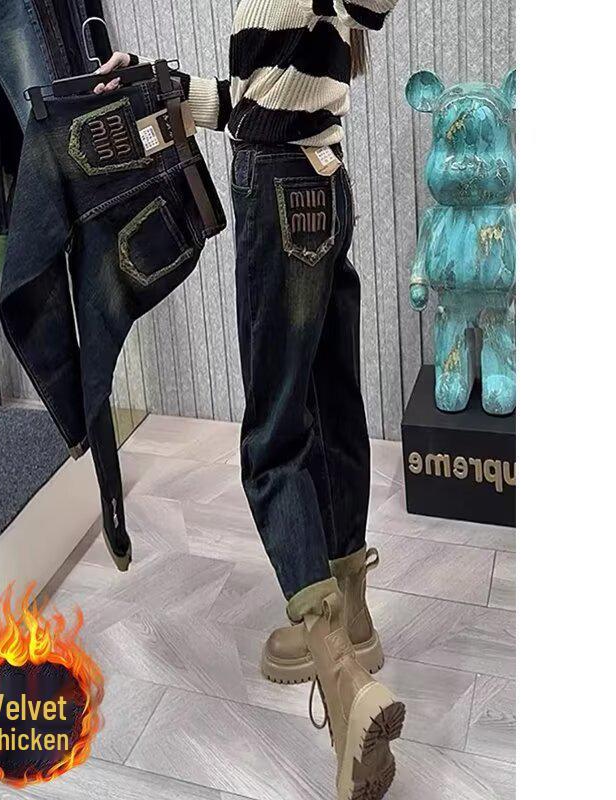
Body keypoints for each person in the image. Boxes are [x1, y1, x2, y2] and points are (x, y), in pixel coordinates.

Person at [95, 2, 403, 798]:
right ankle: (353, 615)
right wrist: (160, 91)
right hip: (323, 179)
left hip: (277, 188)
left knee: (273, 439)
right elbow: (256, 96)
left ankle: (340, 675)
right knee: (333, 404)